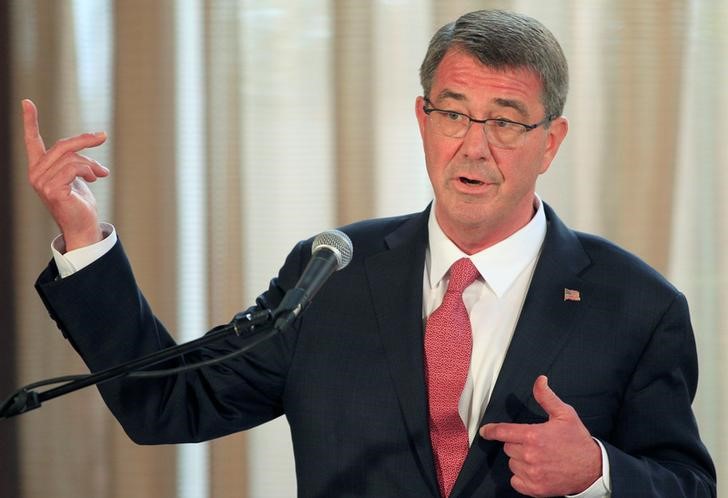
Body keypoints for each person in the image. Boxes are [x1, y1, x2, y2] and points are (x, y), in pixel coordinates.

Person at [24, 9, 715, 498]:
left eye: (505, 122)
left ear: (550, 140)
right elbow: (169, 405)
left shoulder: (638, 305)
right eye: (453, 114)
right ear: (423, 119)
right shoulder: (330, 272)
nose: (473, 146)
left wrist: (597, 471)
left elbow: (686, 486)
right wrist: (85, 241)